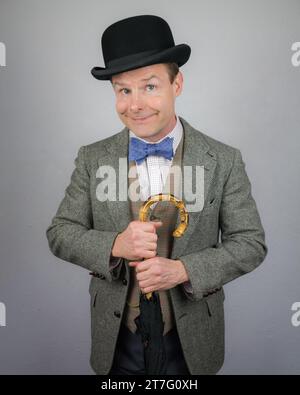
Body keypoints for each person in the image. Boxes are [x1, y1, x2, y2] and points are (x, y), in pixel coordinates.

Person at [46, 15, 267, 375]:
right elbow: (60, 233)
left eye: (149, 86)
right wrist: (115, 244)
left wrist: (183, 270)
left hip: (191, 335)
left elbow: (251, 243)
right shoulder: (91, 158)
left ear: (176, 83)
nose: (135, 104)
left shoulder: (224, 160)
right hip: (118, 335)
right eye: (123, 90)